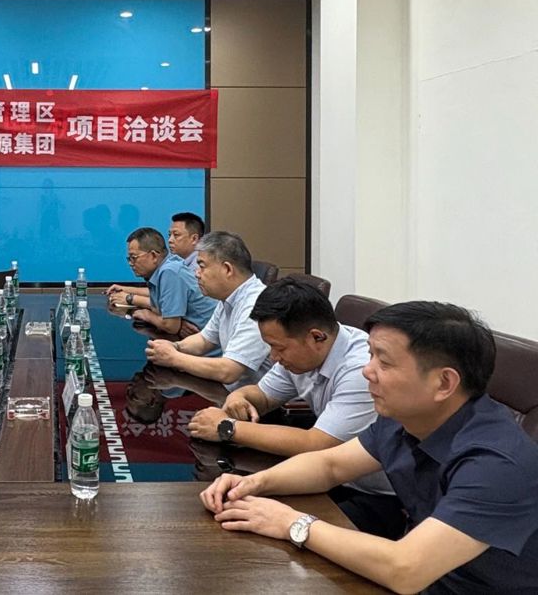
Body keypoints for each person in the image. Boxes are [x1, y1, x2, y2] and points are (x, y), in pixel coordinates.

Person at [200, 302, 538, 594]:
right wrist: (254, 483)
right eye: (370, 355)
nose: (367, 371)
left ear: (444, 383)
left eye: (384, 363)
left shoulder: (497, 463)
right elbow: (329, 465)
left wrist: (291, 523)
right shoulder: (404, 419)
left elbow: (406, 568)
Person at [189, 278, 401, 538]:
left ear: (316, 337)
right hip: (332, 476)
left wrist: (228, 428)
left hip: (379, 497)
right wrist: (237, 397)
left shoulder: (360, 370)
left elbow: (317, 444)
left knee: (260, 532)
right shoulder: (302, 355)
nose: (273, 357)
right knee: (239, 512)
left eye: (278, 348)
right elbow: (262, 396)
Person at [145, 231, 271, 391]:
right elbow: (204, 340)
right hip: (234, 394)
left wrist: (173, 357)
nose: (196, 273)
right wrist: (175, 346)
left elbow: (228, 371)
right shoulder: (229, 298)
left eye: (202, 266)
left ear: (227, 269)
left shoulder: (255, 305)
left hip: (261, 401)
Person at [110, 227, 215, 336]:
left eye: (134, 257)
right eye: (129, 258)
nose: (131, 263)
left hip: (209, 341)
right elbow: (160, 310)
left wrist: (146, 315)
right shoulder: (160, 271)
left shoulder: (170, 272)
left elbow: (171, 326)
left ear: (154, 256)